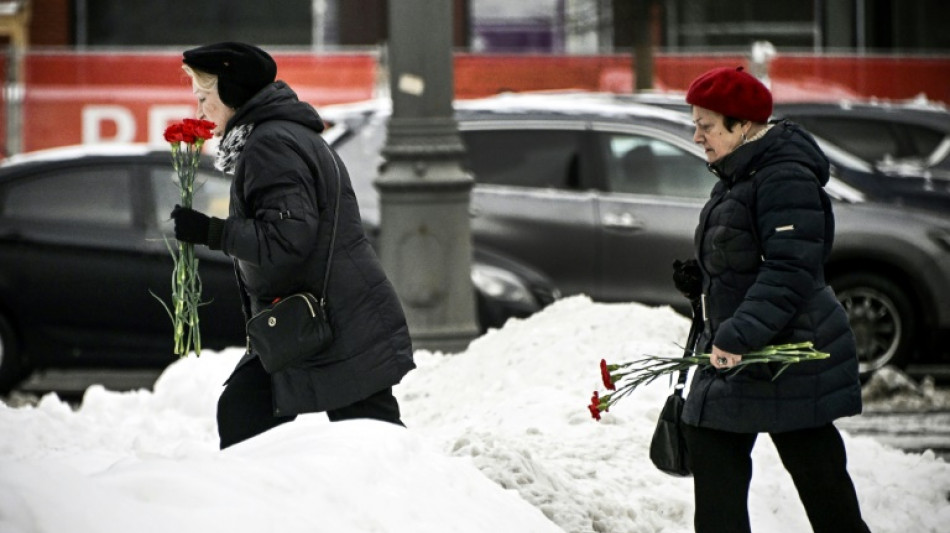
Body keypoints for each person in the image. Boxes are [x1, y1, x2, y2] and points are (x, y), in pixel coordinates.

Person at [171, 42, 415, 449]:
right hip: (316, 317)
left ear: (232, 93)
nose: (199, 111)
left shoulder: (271, 146)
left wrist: (212, 232)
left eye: (204, 97)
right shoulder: (280, 136)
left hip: (329, 320)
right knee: (250, 412)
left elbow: (288, 239)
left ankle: (428, 505)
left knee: (374, 440)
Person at [673, 66, 872, 533]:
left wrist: (737, 334)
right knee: (711, 441)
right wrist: (703, 277)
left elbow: (791, 268)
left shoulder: (784, 177)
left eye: (706, 125)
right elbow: (750, 253)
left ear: (741, 125)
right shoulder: (741, 173)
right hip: (753, 350)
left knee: (820, 481)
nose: (696, 135)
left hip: (789, 355)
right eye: (695, 123)